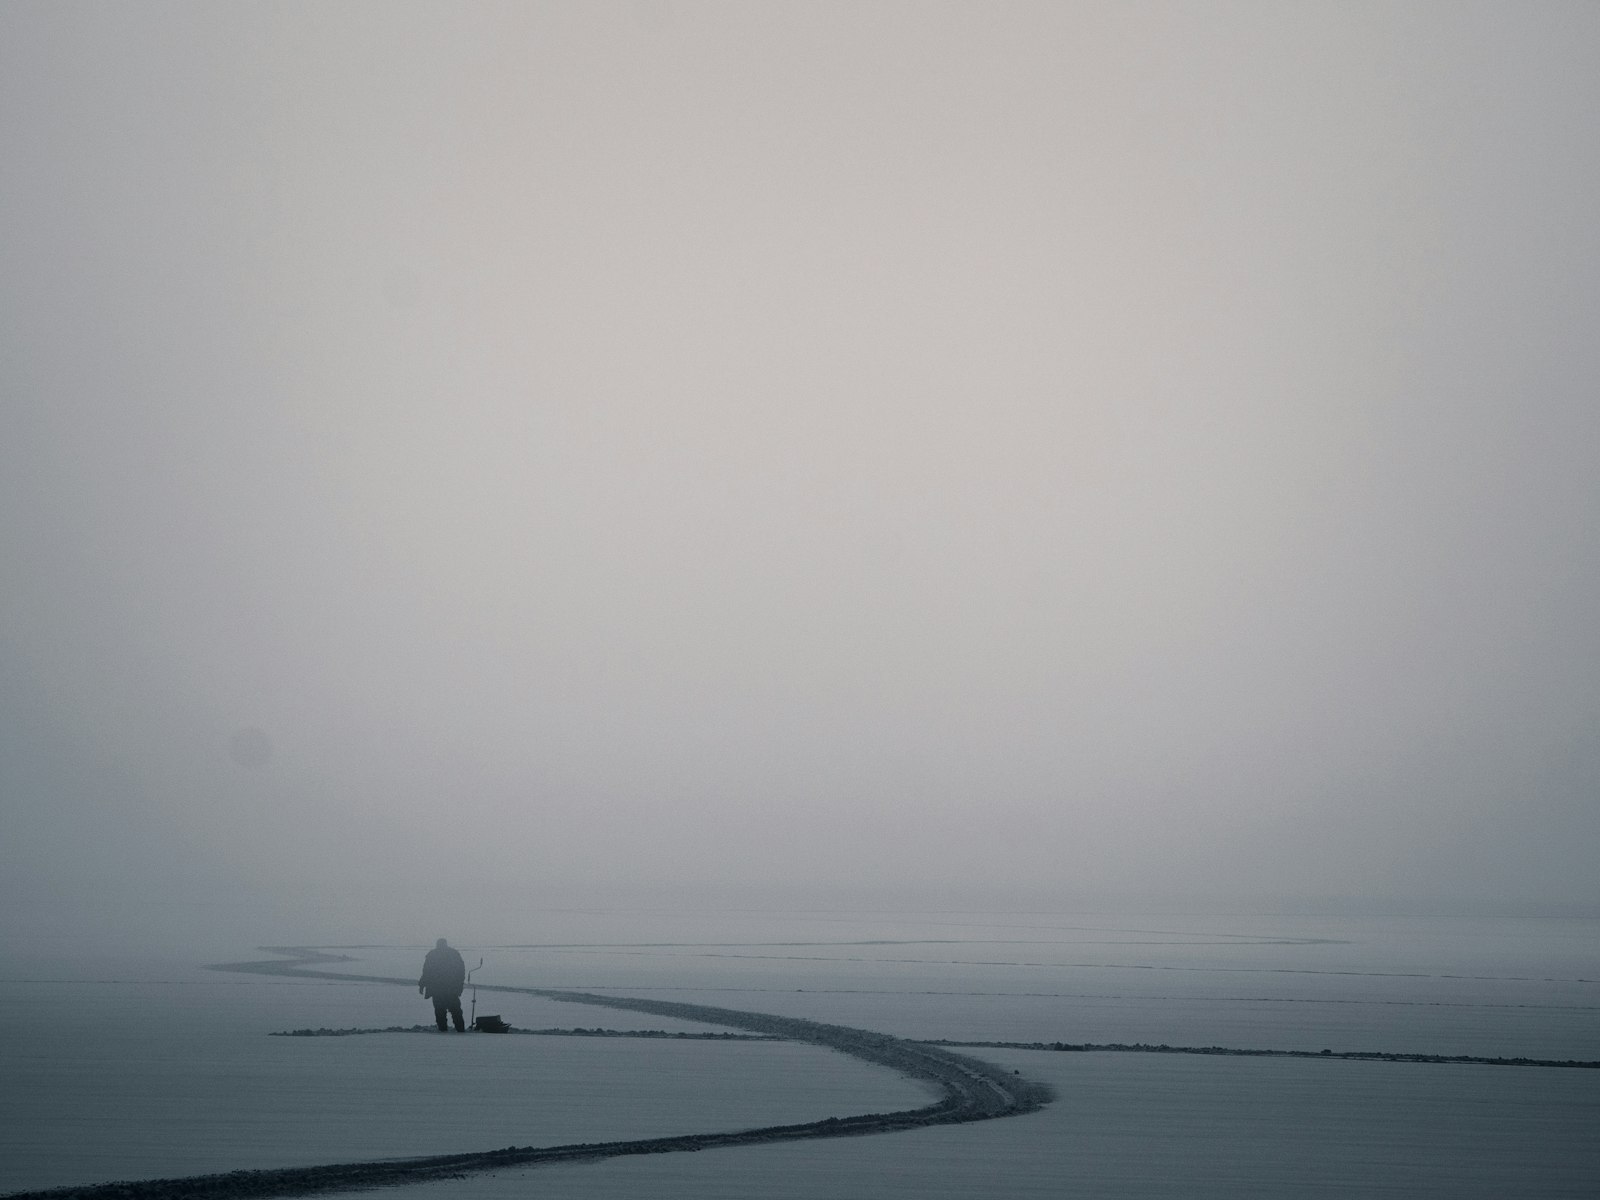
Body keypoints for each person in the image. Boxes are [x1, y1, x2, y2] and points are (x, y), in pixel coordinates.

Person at [418, 937, 467, 1031]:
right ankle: (460, 1030)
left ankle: (443, 1030)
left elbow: (426, 972)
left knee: (441, 1011)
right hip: (450, 989)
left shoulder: (432, 955)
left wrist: (422, 985)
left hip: (439, 989)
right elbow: (461, 971)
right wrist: (460, 985)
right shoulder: (453, 954)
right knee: (455, 1011)